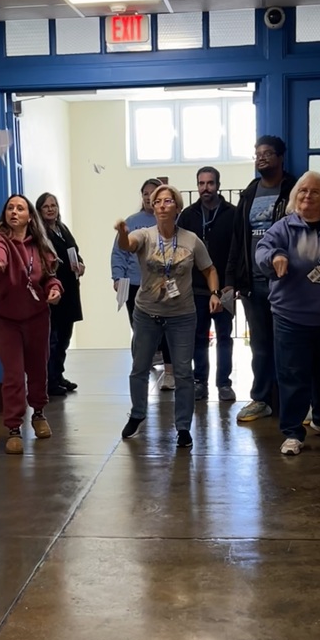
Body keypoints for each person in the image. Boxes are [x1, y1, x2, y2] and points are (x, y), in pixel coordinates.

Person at [114, 183, 222, 449]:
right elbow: (129, 245)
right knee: (139, 367)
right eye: (158, 201)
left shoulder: (190, 239)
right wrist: (121, 234)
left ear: (177, 206)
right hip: (147, 313)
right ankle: (138, 414)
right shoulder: (144, 235)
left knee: (184, 373)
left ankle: (183, 427)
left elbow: (209, 269)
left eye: (168, 201)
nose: (162, 205)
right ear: (152, 206)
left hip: (182, 315)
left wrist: (214, 293)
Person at [255, 171, 320, 456]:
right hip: (291, 318)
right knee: (293, 376)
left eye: (315, 192)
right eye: (302, 191)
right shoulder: (283, 228)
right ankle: (293, 431)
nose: (307, 196)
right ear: (295, 196)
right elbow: (262, 250)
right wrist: (275, 257)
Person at [0, 194, 62, 454]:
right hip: (5, 320)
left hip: (36, 317)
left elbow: (49, 277)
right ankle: (14, 427)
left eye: (20, 208)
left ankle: (38, 413)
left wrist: (55, 289)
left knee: (38, 369)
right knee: (14, 374)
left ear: (29, 216)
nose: (14, 212)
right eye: (10, 208)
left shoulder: (40, 246)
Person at [225, 135, 297, 423]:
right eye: (257, 153)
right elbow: (237, 240)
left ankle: (295, 402)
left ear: (281, 158)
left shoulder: (292, 189)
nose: (261, 157)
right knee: (260, 346)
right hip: (253, 284)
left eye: (268, 153)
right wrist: (232, 279)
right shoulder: (249, 193)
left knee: (290, 345)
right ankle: (261, 399)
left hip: (286, 283)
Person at [178, 166, 236, 402]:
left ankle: (224, 383)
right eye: (201, 184)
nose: (205, 188)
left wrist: (231, 284)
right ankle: (200, 382)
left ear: (218, 185)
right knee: (198, 337)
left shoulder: (232, 213)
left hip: (225, 288)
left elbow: (237, 251)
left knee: (224, 336)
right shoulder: (188, 215)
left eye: (210, 183)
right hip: (196, 288)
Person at [111, 178, 174, 389]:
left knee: (166, 327)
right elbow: (119, 252)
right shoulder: (132, 221)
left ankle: (169, 371)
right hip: (135, 283)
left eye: (153, 193)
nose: (149, 196)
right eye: (146, 193)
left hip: (163, 284)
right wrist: (118, 277)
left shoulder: (172, 221)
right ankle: (141, 367)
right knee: (139, 328)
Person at [36, 192, 85, 396]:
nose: (50, 209)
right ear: (39, 210)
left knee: (65, 337)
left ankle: (59, 374)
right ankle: (50, 380)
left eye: (53, 205)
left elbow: (74, 252)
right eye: (46, 206)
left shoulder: (62, 229)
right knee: (53, 338)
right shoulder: (40, 234)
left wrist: (81, 265)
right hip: (53, 290)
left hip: (70, 289)